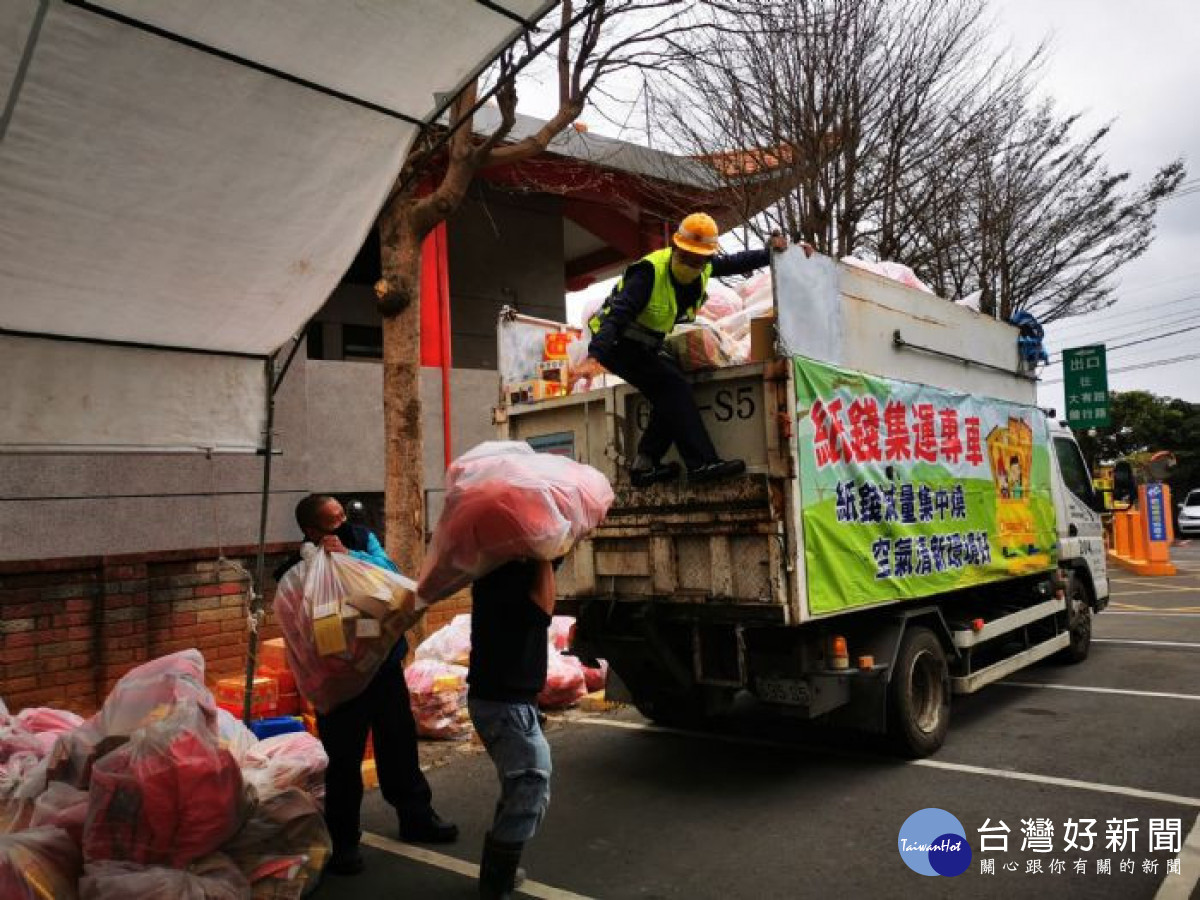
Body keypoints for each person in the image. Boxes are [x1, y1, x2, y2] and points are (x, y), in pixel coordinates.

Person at [275, 494, 458, 876]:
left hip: (382, 668)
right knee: (342, 764)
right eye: (333, 520)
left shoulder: (360, 539)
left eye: (343, 515)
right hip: (339, 683)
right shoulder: (297, 572)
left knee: (399, 746)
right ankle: (343, 845)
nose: (342, 523)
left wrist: (349, 556)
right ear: (311, 530)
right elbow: (300, 628)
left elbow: (390, 573)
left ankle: (417, 817)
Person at [572, 212, 791, 487]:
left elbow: (735, 262)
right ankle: (701, 463)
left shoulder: (705, 267)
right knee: (674, 386)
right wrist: (595, 356)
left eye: (699, 259)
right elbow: (618, 315)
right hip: (618, 342)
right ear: (675, 247)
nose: (691, 263)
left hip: (645, 343)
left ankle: (644, 466)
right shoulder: (650, 272)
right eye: (686, 256)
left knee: (671, 392)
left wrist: (769, 253)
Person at [468, 558, 557, 899]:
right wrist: (544, 553)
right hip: (504, 704)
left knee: (518, 785)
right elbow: (542, 612)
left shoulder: (506, 567)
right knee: (529, 784)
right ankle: (495, 885)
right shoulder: (499, 579)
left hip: (510, 701)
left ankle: (499, 870)